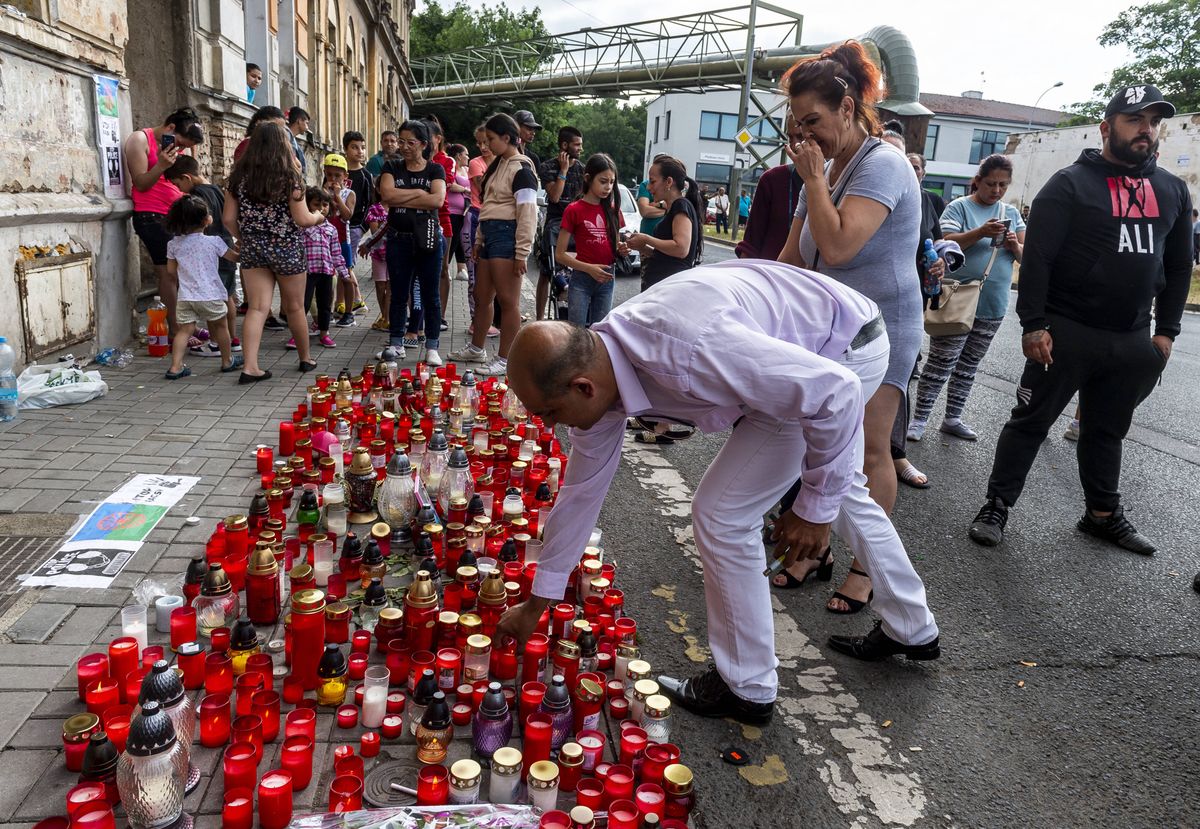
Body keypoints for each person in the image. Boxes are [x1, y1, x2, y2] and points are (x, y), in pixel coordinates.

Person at [495, 261, 941, 726]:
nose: (547, 425)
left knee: (724, 512)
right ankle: (912, 627)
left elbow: (836, 393)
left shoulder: (687, 347)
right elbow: (581, 493)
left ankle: (746, 687)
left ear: (582, 386)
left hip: (842, 349)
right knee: (837, 482)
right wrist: (539, 602)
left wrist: (812, 509)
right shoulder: (601, 371)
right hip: (818, 344)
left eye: (549, 412)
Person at [968, 83, 1191, 555]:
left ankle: (1102, 515)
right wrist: (1033, 323)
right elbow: (1040, 259)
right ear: (1107, 127)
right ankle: (996, 506)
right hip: (1066, 330)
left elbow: (1176, 267)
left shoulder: (1171, 189)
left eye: (1153, 122)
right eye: (1135, 120)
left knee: (1107, 430)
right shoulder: (1069, 184)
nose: (1146, 130)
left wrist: (1166, 333)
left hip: (1131, 337)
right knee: (1031, 421)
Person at [775, 41, 922, 612]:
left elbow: (835, 246)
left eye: (812, 121)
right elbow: (793, 257)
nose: (803, 136)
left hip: (885, 331)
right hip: (832, 330)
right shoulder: (827, 166)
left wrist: (812, 180)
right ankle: (820, 550)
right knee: (822, 443)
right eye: (795, 125)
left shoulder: (882, 163)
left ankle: (867, 569)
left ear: (847, 107)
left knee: (867, 452)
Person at [908, 155, 1025, 445]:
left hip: (992, 304)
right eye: (990, 184)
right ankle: (919, 419)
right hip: (957, 298)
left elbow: (1027, 257)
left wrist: (1014, 245)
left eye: (1003, 185)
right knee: (941, 362)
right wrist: (981, 232)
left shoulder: (1011, 212)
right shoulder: (960, 207)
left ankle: (953, 418)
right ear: (977, 181)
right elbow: (946, 240)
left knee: (969, 365)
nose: (996, 190)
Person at [223, 122, 324, 383]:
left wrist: (244, 237)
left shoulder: (238, 179)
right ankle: (305, 359)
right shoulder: (290, 178)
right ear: (284, 145)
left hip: (254, 249)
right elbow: (301, 219)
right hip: (287, 247)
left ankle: (250, 366)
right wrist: (317, 216)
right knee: (294, 307)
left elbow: (228, 219)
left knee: (257, 307)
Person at [450, 113, 539, 376]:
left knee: (508, 301)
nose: (486, 144)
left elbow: (527, 213)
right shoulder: (498, 165)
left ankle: (505, 358)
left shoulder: (523, 169)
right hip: (490, 233)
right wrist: (479, 238)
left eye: (490, 139)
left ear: (507, 138)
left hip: (507, 236)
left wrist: (522, 251)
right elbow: (487, 205)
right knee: (481, 295)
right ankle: (477, 349)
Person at [124, 107, 205, 338]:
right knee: (168, 274)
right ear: (170, 128)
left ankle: (185, 323)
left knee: (182, 273)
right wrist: (160, 165)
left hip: (176, 215)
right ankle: (175, 329)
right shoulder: (140, 139)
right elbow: (140, 183)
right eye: (179, 142)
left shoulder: (175, 148)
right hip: (152, 216)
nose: (179, 148)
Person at [378, 119, 447, 365]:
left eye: (411, 142)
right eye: (401, 141)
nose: (405, 147)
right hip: (398, 238)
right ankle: (396, 343)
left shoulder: (434, 170)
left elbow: (437, 201)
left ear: (424, 144)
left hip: (428, 240)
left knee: (431, 294)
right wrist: (419, 194)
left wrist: (403, 198)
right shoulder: (392, 167)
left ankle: (432, 346)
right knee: (397, 291)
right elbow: (387, 195)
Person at [164, 156, 242, 359]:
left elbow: (172, 271)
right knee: (228, 295)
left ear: (186, 177)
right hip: (225, 246)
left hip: (209, 253)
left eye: (178, 184)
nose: (180, 189)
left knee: (213, 300)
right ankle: (232, 340)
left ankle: (216, 344)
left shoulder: (196, 195)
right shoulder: (216, 189)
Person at [556, 153, 629, 326]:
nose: (608, 187)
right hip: (581, 278)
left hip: (607, 278)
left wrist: (622, 249)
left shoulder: (613, 210)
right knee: (577, 332)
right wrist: (589, 269)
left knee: (601, 332)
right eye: (603, 181)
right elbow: (559, 254)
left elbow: (616, 244)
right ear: (588, 178)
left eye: (612, 182)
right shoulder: (574, 210)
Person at [627, 156, 702, 292]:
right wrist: (642, 247)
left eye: (652, 182)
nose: (649, 187)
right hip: (662, 286)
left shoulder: (681, 205)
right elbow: (666, 256)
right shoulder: (674, 208)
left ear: (668, 182)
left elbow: (681, 249)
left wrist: (646, 238)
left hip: (668, 288)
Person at [736, 118, 806, 260]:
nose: (794, 145)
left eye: (800, 137)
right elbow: (751, 245)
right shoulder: (772, 180)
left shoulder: (839, 180)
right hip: (771, 276)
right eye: (790, 137)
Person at [538, 126, 586, 320]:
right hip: (555, 225)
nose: (581, 148)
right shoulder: (547, 167)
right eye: (577, 144)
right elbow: (555, 196)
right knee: (545, 272)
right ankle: (539, 319)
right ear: (564, 145)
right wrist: (564, 171)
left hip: (577, 226)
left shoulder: (584, 170)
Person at [298, 186, 348, 351]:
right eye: (316, 205)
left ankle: (324, 333)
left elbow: (336, 253)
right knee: (302, 304)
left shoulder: (331, 229)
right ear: (307, 206)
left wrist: (344, 272)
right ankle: (297, 335)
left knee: (325, 305)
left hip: (326, 272)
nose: (321, 209)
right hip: (307, 272)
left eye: (325, 205)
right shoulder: (302, 227)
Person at [465, 125, 501, 339]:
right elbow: (485, 188)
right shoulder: (475, 163)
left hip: (494, 218)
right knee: (474, 274)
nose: (482, 146)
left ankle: (486, 319)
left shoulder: (502, 162)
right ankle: (474, 321)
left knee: (492, 276)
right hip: (477, 216)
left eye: (486, 141)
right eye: (479, 143)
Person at [319, 153, 358, 329]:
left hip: (342, 240)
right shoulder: (320, 193)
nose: (333, 179)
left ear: (345, 176)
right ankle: (326, 312)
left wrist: (336, 197)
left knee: (346, 277)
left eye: (337, 175)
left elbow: (347, 215)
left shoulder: (349, 193)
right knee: (326, 277)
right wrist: (326, 196)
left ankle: (349, 312)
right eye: (330, 174)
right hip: (323, 241)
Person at [425, 117, 456, 331]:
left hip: (442, 217)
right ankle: (418, 314)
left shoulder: (446, 161)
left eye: (427, 137)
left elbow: (442, 188)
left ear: (438, 138)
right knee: (419, 270)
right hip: (417, 218)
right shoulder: (415, 160)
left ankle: (440, 315)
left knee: (442, 269)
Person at [343, 131, 374, 315]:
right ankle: (348, 301)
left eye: (362, 147)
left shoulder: (365, 175)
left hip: (354, 227)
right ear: (345, 149)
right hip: (337, 226)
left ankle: (357, 300)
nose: (359, 151)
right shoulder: (338, 172)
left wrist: (363, 228)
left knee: (348, 264)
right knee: (344, 264)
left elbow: (370, 204)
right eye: (354, 147)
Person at [361, 199, 391, 331]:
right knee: (380, 286)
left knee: (390, 287)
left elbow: (381, 230)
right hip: (378, 255)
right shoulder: (374, 208)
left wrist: (381, 227)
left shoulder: (398, 206)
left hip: (394, 254)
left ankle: (388, 318)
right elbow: (375, 232)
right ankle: (384, 316)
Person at [446, 143, 472, 282]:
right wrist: (466, 190)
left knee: (461, 239)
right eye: (466, 154)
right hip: (452, 210)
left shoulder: (467, 170)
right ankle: (445, 266)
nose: (468, 157)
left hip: (465, 210)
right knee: (453, 239)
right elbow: (450, 185)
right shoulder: (451, 168)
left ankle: (461, 269)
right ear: (458, 156)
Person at [909, 153, 945, 217]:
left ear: (923, 173)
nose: (911, 170)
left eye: (915, 168)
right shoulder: (892, 196)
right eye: (908, 166)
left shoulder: (934, 200)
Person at [286, 107, 310, 176]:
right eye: (306, 123)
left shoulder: (292, 139)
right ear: (299, 121)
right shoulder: (286, 136)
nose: (307, 128)